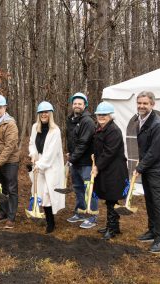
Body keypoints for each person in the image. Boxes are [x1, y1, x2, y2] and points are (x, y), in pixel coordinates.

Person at [134, 91, 160, 254]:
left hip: (159, 169)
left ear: (152, 105)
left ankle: (159, 240)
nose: (142, 106)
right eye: (140, 103)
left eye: (145, 103)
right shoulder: (139, 121)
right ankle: (151, 231)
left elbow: (155, 151)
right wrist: (142, 164)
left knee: (158, 203)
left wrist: (139, 167)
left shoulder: (158, 125)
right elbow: (145, 148)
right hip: (149, 167)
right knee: (149, 200)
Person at [91, 102, 128, 240]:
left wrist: (97, 167)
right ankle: (112, 226)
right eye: (99, 114)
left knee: (112, 197)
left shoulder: (113, 130)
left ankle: (112, 229)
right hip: (106, 169)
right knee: (109, 198)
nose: (101, 117)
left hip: (114, 170)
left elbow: (109, 152)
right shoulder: (100, 128)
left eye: (104, 115)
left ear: (110, 116)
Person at [28, 101, 65, 233]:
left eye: (46, 112)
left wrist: (40, 164)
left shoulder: (55, 131)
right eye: (41, 112)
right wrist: (33, 154)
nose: (44, 114)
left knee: (48, 193)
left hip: (51, 167)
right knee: (40, 192)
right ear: (39, 114)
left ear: (50, 114)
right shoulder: (34, 127)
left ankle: (51, 222)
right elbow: (32, 143)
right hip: (39, 164)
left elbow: (51, 153)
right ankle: (45, 217)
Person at [66, 92, 98, 229]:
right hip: (75, 161)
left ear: (85, 105)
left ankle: (92, 216)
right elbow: (71, 139)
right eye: (75, 103)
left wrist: (72, 158)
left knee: (89, 189)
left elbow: (83, 143)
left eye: (80, 103)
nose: (77, 106)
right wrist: (69, 153)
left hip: (86, 162)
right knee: (78, 188)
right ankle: (80, 212)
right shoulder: (71, 119)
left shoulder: (87, 121)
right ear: (72, 105)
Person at [0, 94, 20, 229]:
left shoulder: (10, 123)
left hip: (10, 161)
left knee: (12, 189)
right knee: (2, 188)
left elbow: (10, 146)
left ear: (5, 107)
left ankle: (11, 218)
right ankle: (3, 213)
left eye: (0, 107)